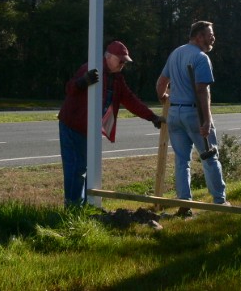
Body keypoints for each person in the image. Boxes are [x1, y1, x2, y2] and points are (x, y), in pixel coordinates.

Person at [58, 40, 165, 207]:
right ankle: (72, 206)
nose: (123, 64)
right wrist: (82, 82)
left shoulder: (117, 79)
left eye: (125, 61)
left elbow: (130, 100)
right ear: (108, 57)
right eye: (120, 60)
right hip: (72, 126)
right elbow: (69, 89)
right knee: (76, 167)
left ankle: (84, 205)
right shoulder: (89, 69)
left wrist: (152, 117)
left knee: (88, 168)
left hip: (90, 130)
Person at [156, 21, 228, 215]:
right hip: (193, 113)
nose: (213, 38)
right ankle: (219, 201)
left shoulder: (175, 53)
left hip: (174, 114)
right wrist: (207, 120)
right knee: (209, 156)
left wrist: (163, 97)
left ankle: (184, 203)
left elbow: (161, 82)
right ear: (198, 36)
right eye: (209, 35)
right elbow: (202, 90)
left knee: (181, 161)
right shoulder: (201, 57)